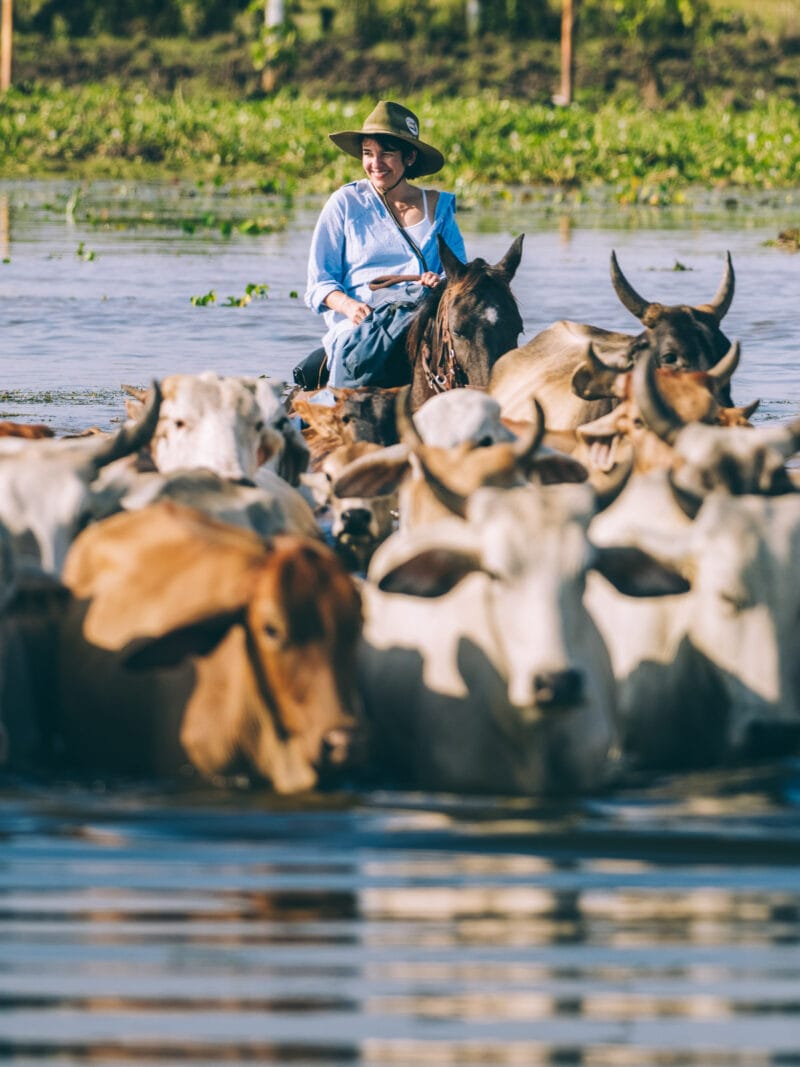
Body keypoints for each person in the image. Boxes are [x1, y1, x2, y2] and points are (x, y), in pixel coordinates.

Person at [302, 100, 467, 388]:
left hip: (423, 322)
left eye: (386, 154)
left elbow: (461, 279)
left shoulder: (439, 209)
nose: (375, 164)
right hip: (362, 327)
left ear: (410, 157)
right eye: (368, 154)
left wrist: (439, 282)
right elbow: (319, 284)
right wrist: (350, 306)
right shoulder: (345, 203)